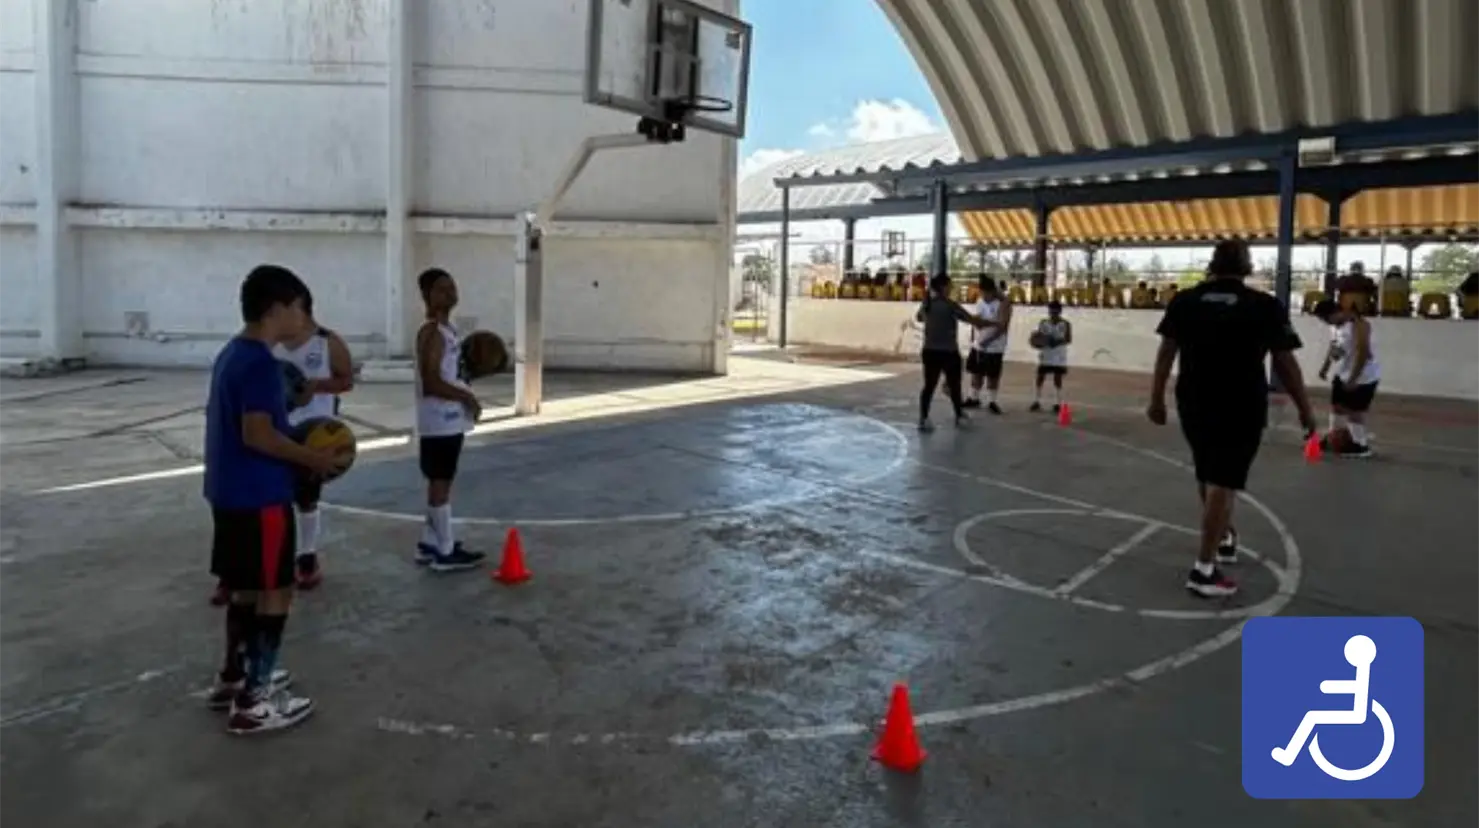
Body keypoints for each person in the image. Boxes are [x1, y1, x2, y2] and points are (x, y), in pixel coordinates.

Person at [203, 264, 343, 734]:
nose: (304, 321)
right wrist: (310, 458)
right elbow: (258, 434)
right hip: (259, 494)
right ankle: (255, 700)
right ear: (278, 308)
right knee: (275, 591)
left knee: (244, 587)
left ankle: (233, 675)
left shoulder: (232, 353)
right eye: (301, 309)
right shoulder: (261, 362)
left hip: (228, 491)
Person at [1147, 240, 1316, 598]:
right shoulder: (1263, 306)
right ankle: (1204, 571)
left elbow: (1166, 353)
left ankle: (1223, 536)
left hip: (1193, 400)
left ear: (1212, 264)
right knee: (1223, 480)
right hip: (1241, 405)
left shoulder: (1185, 301)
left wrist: (1156, 398)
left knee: (1208, 472)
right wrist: (1305, 409)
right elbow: (1285, 363)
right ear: (1247, 267)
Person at [274, 291, 356, 586]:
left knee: (307, 498)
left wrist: (317, 387)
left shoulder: (327, 342)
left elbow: (347, 380)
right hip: (276, 430)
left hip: (314, 434)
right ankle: (274, 558)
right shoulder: (271, 344)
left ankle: (306, 556)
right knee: (273, 497)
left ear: (301, 309)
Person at [413, 268, 486, 571]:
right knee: (441, 482)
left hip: (448, 420)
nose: (450, 292)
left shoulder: (448, 330)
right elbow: (431, 382)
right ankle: (444, 551)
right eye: (442, 289)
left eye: (452, 286)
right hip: (439, 421)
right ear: (428, 296)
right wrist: (466, 397)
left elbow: (449, 375)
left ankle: (431, 542)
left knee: (439, 481)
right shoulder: (432, 333)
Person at [915, 273, 989, 432]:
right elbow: (971, 319)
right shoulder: (950, 305)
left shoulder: (927, 304)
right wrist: (993, 323)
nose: (951, 288)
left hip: (929, 351)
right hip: (948, 351)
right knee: (955, 385)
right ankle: (959, 415)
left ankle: (923, 418)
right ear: (943, 287)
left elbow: (919, 318)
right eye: (949, 285)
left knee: (929, 386)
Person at [1313, 299, 1379, 458]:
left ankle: (1361, 446)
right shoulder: (1334, 326)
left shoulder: (1359, 325)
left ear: (1337, 312)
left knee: (1354, 411)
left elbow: (1363, 354)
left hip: (1363, 376)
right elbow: (1335, 346)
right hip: (1342, 373)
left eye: (1327, 319)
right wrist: (1325, 367)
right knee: (1337, 407)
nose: (1326, 323)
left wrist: (1353, 379)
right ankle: (1333, 438)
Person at [964, 276, 1010, 414]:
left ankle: (992, 401)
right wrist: (975, 335)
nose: (983, 295)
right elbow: (977, 320)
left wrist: (988, 340)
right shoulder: (979, 302)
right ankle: (974, 398)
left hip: (995, 346)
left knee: (992, 375)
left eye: (986, 293)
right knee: (976, 372)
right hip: (979, 344)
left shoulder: (1002, 304)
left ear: (992, 292)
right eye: (981, 292)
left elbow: (1002, 327)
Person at [1030, 300, 1071, 413]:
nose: (1052, 313)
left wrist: (1055, 342)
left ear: (1059, 311)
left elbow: (1068, 339)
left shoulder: (1065, 324)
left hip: (1059, 355)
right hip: (1046, 354)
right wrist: (1037, 342)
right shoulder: (1043, 323)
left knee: (1057, 378)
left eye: (1055, 310)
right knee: (1040, 376)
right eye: (1051, 310)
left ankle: (1057, 402)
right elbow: (1039, 337)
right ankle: (1037, 400)